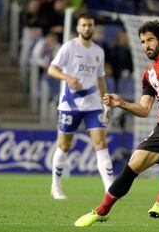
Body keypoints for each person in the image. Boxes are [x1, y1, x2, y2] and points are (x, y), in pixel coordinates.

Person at [74, 20, 159, 227]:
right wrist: (121, 103)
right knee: (132, 166)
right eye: (142, 41)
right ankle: (102, 211)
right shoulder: (148, 75)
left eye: (150, 39)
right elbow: (144, 109)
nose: (146, 45)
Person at [48, 13, 113, 200]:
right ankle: (55, 186)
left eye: (90, 25)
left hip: (93, 105)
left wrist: (106, 104)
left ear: (93, 27)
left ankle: (110, 189)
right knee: (64, 145)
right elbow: (52, 69)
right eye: (83, 25)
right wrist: (67, 78)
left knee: (101, 143)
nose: (87, 28)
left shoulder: (98, 51)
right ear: (78, 28)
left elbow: (101, 79)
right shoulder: (69, 47)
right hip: (70, 105)